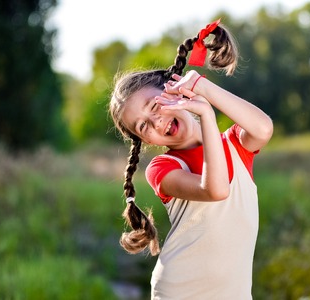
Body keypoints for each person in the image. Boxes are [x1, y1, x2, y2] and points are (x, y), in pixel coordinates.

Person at [109, 19, 273, 300]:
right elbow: (216, 189)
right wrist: (207, 115)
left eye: (154, 106)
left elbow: (264, 128)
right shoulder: (163, 168)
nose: (156, 123)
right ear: (147, 141)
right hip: (181, 290)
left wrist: (203, 88)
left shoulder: (234, 144)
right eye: (144, 126)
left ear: (175, 88)